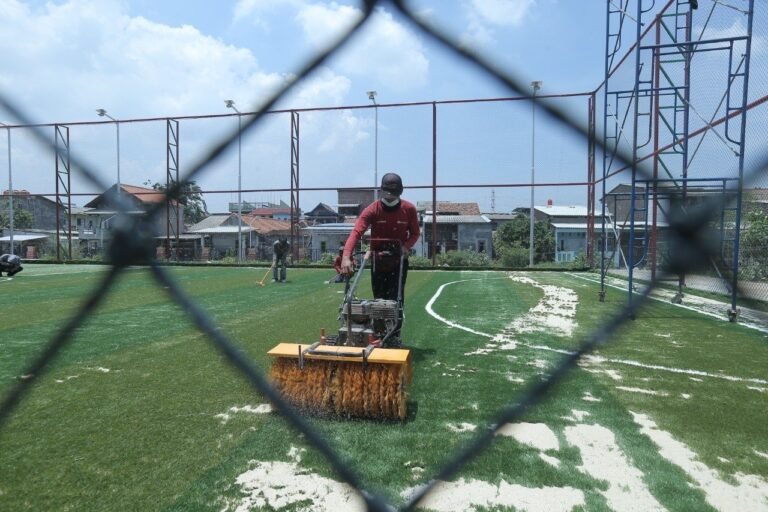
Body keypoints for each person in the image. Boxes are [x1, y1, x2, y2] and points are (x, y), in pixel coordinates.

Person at [341, 172, 420, 316]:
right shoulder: (372, 210)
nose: (390, 196)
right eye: (388, 192)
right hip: (378, 260)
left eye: (394, 192)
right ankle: (378, 333)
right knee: (379, 299)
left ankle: (394, 335)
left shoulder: (409, 209)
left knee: (397, 299)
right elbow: (356, 232)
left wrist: (406, 246)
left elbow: (415, 233)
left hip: (399, 260)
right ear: (382, 190)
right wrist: (346, 256)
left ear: (400, 191)